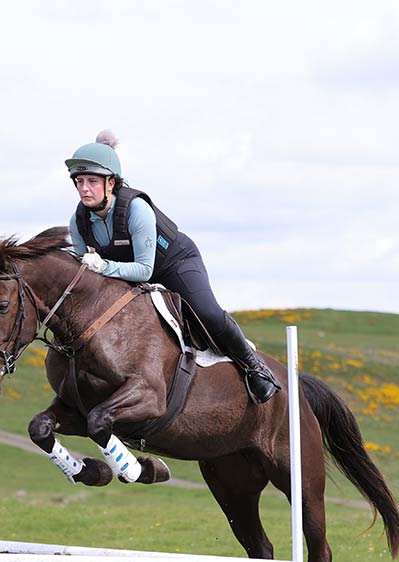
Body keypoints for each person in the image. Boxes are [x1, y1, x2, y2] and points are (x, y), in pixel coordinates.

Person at [65, 130, 281, 404]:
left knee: (207, 313)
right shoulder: (78, 221)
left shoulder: (135, 209)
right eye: (79, 181)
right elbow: (87, 274)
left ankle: (254, 367)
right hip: (127, 276)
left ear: (111, 183)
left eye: (92, 181)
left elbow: (143, 270)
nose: (84, 188)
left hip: (174, 263)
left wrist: (104, 266)